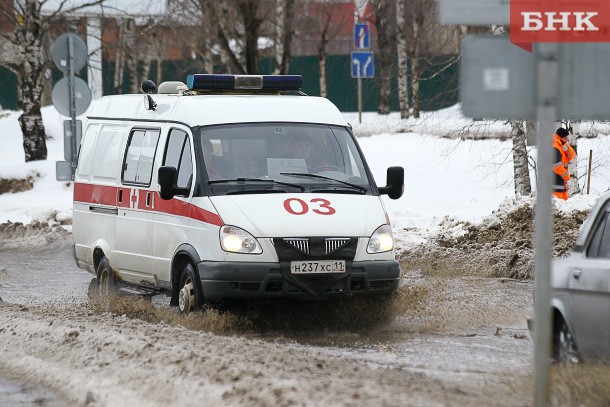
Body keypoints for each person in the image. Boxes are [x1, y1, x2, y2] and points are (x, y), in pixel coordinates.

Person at [552, 127, 576, 200]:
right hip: (555, 181)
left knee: (564, 205)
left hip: (560, 180)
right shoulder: (555, 147)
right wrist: (566, 176)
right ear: (561, 137)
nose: (567, 140)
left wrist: (567, 149)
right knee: (558, 205)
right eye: (566, 138)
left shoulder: (561, 144)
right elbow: (556, 166)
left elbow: (572, 155)